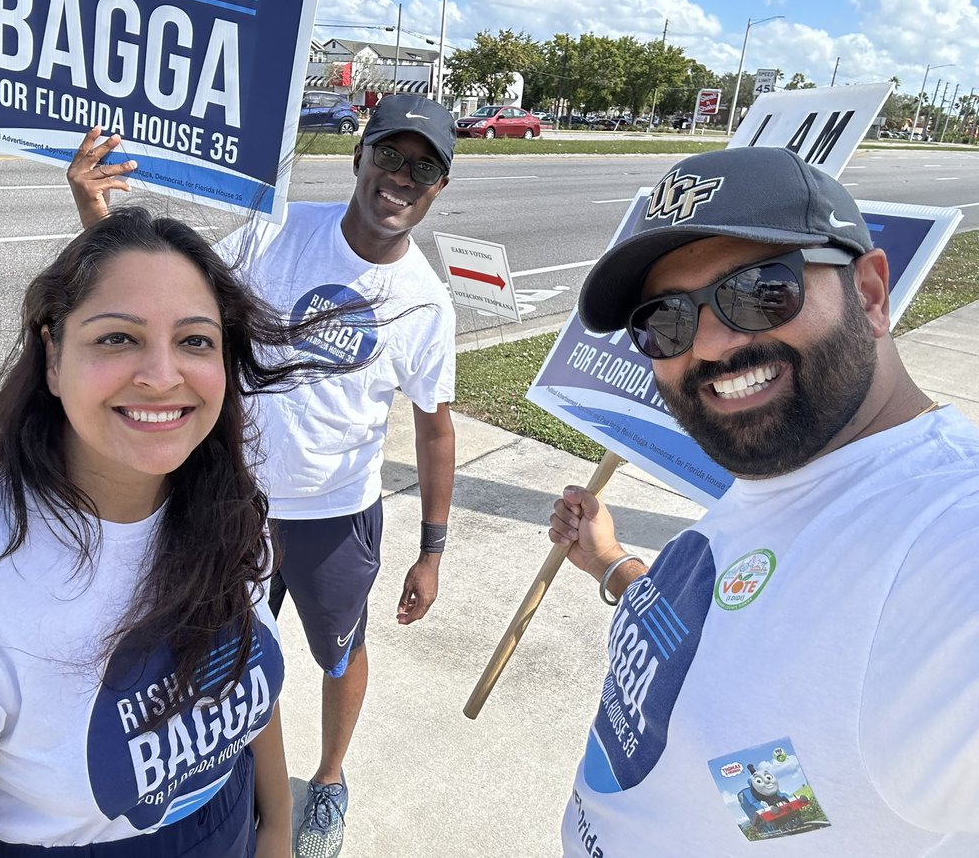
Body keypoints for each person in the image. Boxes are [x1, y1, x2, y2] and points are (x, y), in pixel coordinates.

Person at [0, 208, 377, 856]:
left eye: (195, 341)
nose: (161, 374)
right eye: (118, 338)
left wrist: (277, 827)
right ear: (52, 356)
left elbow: (241, 681)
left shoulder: (231, 511)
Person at [548, 147, 979, 855]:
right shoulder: (788, 478)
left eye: (759, 290)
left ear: (870, 295)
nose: (712, 345)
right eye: (666, 320)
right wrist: (613, 566)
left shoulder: (946, 539)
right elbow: (730, 648)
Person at [66, 92, 458, 858]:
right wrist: (98, 216)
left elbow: (434, 427)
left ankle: (331, 781)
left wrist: (434, 548)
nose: (401, 178)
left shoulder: (426, 303)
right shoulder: (281, 229)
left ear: (439, 187)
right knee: (225, 650)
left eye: (424, 167)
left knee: (338, 654)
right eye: (390, 155)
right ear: (360, 157)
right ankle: (243, 773)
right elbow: (166, 295)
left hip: (335, 519)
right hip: (232, 499)